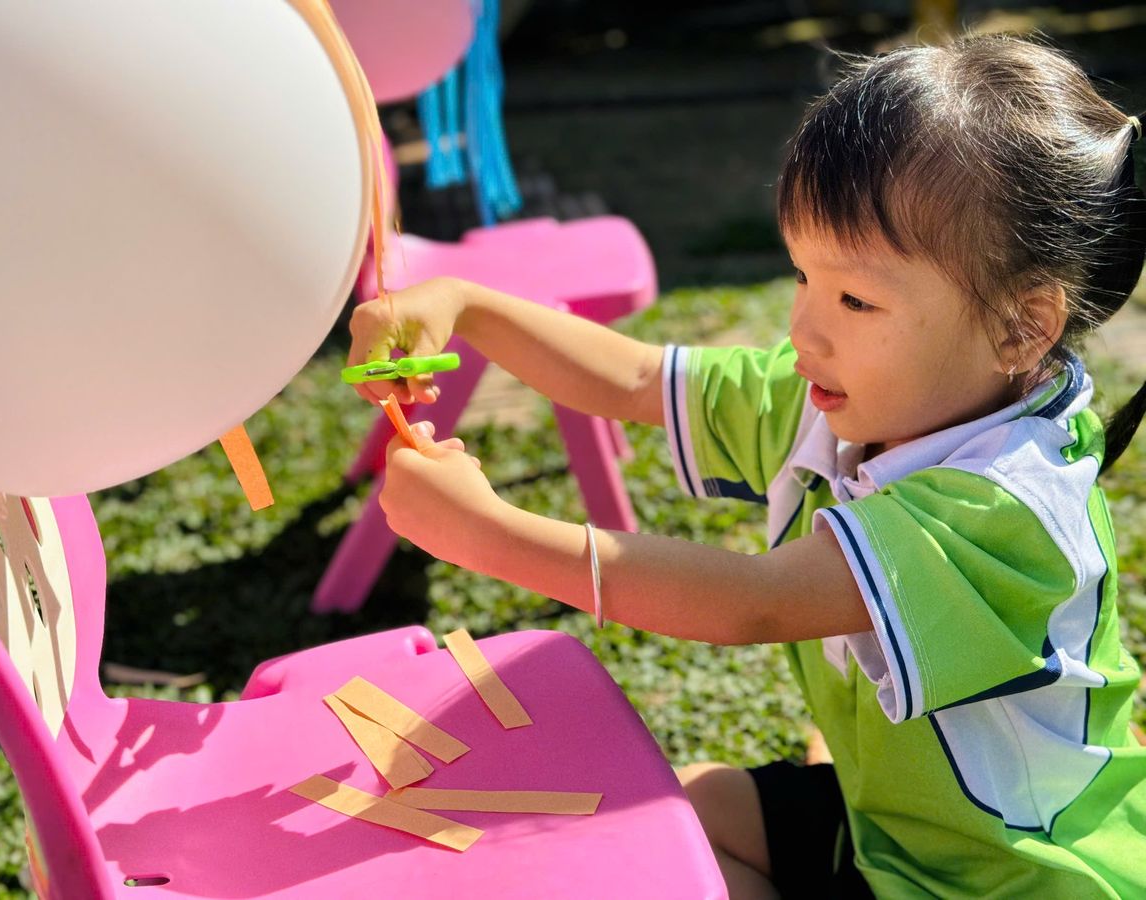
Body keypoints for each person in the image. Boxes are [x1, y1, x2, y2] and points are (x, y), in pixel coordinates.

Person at [346, 34, 1146, 898]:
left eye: (855, 298)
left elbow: (752, 602)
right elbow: (639, 379)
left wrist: (490, 536)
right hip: (894, 831)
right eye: (802, 276)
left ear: (1021, 327)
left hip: (1007, 883)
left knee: (671, 870)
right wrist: (465, 305)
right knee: (683, 814)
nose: (804, 329)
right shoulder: (847, 398)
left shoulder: (1006, 507)